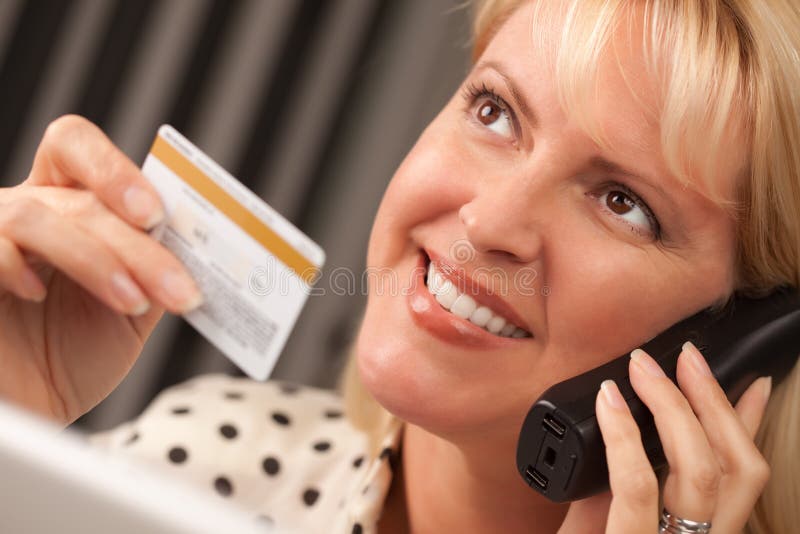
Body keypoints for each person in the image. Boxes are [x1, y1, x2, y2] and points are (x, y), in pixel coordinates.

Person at [0, 0, 798, 532]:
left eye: (623, 202)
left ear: (746, 339)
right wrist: (13, 415)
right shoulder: (211, 464)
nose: (489, 221)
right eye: (495, 111)